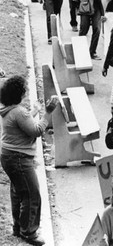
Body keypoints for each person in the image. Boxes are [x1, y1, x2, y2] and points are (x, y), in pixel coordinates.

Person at [0, 77, 57, 246]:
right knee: (32, 194)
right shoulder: (18, 112)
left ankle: (18, 227)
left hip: (9, 156)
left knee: (18, 192)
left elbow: (23, 123)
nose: (26, 92)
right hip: (19, 158)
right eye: (24, 90)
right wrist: (48, 111)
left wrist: (34, 111)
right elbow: (36, 130)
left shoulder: (10, 110)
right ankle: (29, 232)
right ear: (19, 94)